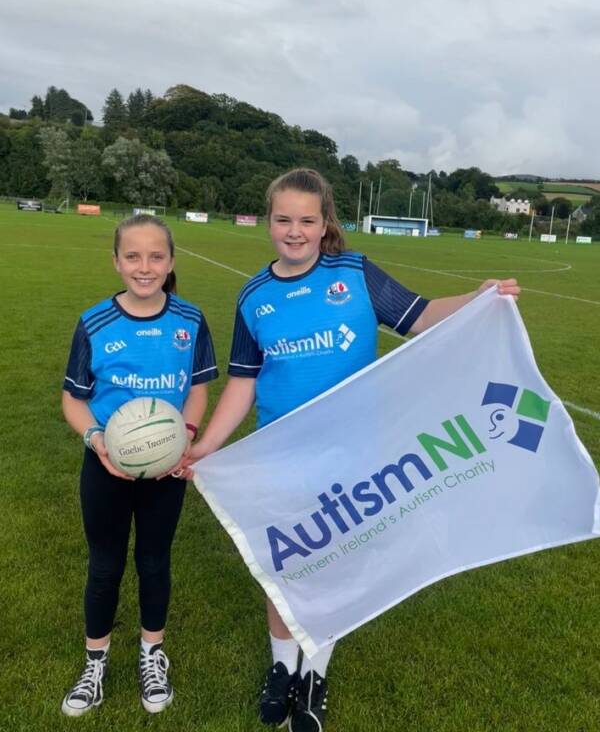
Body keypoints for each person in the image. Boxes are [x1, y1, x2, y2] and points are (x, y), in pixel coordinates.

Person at [184, 168, 520, 732]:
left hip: (352, 453)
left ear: (324, 224)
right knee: (284, 566)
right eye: (283, 219)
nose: (294, 231)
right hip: (281, 454)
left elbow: (418, 317)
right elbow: (242, 382)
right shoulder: (254, 297)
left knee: (332, 564)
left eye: (306, 221)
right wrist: (207, 448)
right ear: (269, 222)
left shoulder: (355, 273)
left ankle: (315, 675)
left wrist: (478, 297)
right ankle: (282, 669)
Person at [61, 214, 218, 717]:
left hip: (165, 469)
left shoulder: (189, 321)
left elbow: (197, 389)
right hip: (104, 466)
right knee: (104, 564)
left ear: (171, 262)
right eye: (133, 256)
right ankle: (95, 662)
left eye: (156, 256)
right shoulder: (94, 323)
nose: (144, 267)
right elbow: (73, 399)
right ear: (116, 261)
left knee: (154, 561)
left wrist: (185, 437)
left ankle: (152, 654)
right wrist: (97, 439)